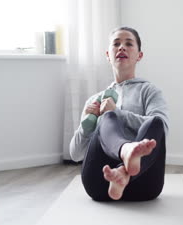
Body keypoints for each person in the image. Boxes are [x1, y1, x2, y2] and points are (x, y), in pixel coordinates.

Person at [69, 27, 169, 201]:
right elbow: (75, 154)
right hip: (100, 182)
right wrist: (86, 125)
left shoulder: (150, 91)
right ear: (108, 55)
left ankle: (124, 170)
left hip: (145, 184)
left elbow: (161, 133)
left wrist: (118, 113)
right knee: (107, 118)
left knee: (157, 122)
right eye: (116, 44)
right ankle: (125, 154)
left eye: (129, 43)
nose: (122, 47)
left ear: (139, 55)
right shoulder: (95, 100)